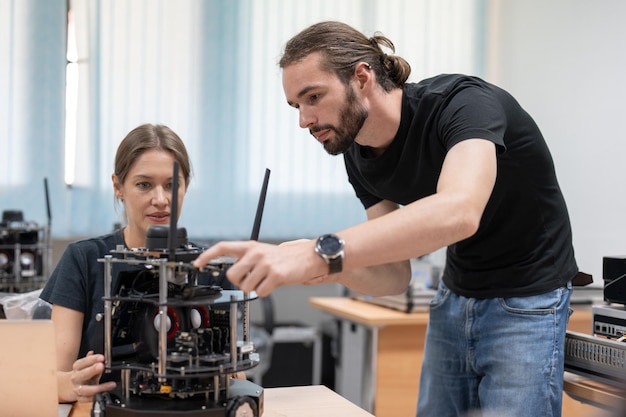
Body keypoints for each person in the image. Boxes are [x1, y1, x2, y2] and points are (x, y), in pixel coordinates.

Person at [193, 21, 580, 417]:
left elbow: (460, 212)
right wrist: (330, 270)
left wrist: (320, 252)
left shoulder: (463, 104)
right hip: (456, 294)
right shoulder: (357, 150)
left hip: (530, 298)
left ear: (362, 77)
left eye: (313, 97)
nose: (304, 121)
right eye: (297, 106)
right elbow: (394, 275)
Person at [40, 123, 232, 403]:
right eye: (144, 184)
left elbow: (234, 376)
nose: (160, 199)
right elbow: (52, 377)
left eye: (171, 185)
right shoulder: (84, 259)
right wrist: (72, 382)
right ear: (118, 186)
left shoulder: (209, 269)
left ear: (186, 186)